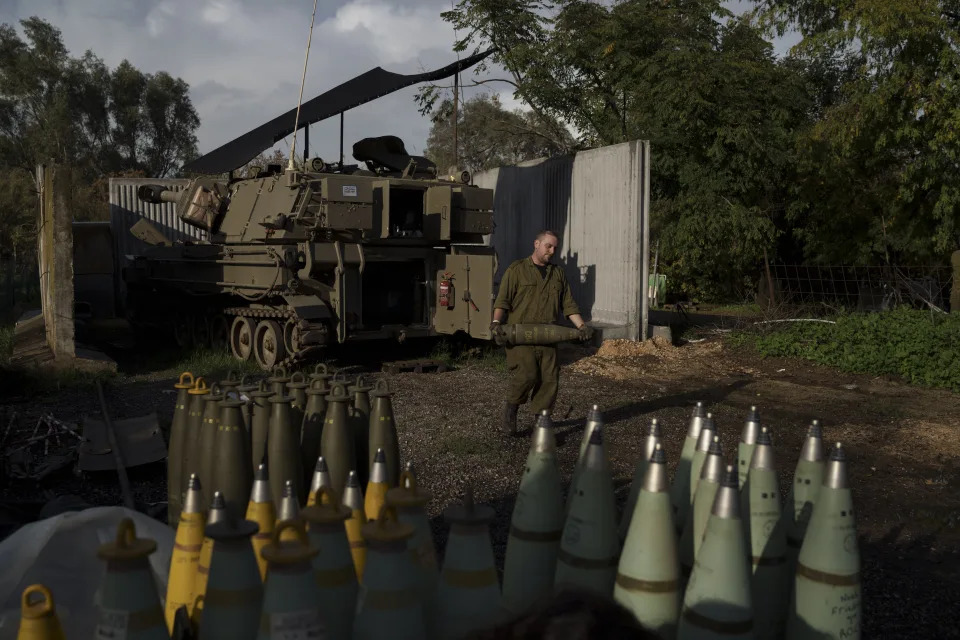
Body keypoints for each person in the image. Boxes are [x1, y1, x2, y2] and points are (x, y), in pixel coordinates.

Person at [490, 230, 593, 435]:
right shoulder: (517, 270)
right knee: (526, 375)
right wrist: (495, 323)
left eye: (555, 247)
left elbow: (568, 305)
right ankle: (510, 413)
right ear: (536, 244)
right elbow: (503, 300)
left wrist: (581, 327)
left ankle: (542, 426)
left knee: (549, 381)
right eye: (548, 246)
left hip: (548, 337)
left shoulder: (558, 274)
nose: (552, 251)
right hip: (521, 337)